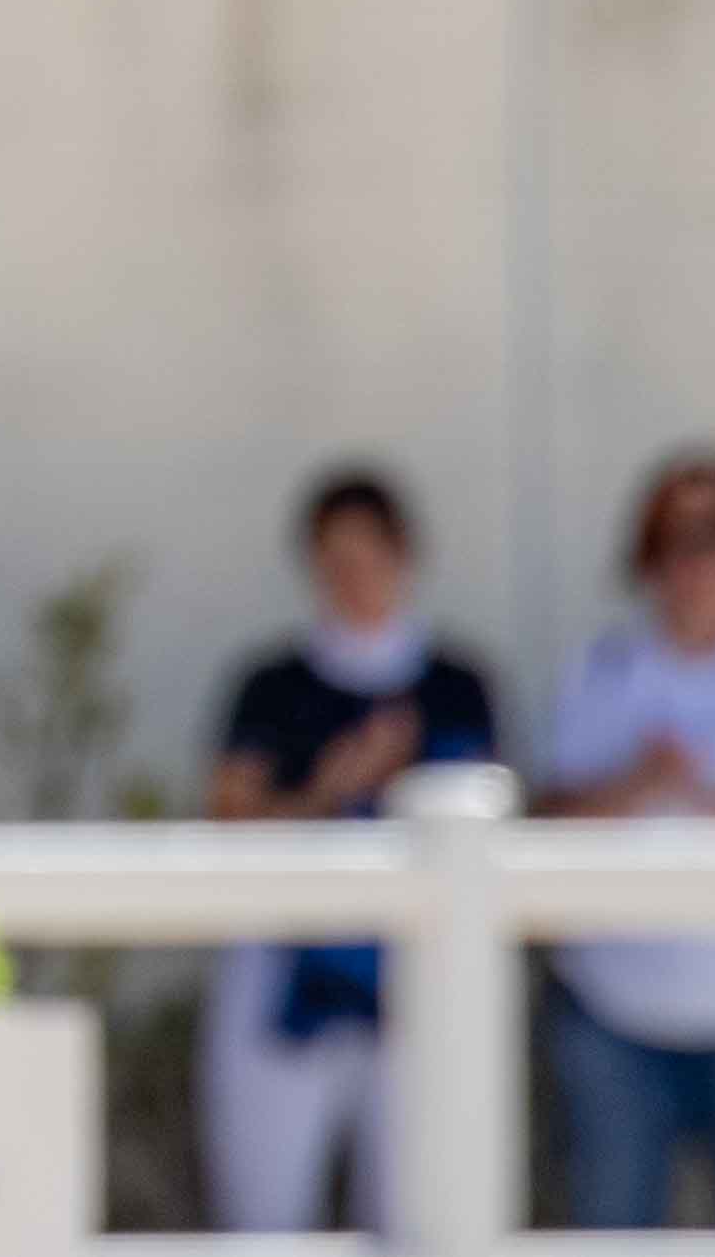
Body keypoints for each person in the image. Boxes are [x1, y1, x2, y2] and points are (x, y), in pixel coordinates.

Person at [197, 466, 498, 1234]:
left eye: (369, 557)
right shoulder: (271, 685)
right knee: (263, 1217)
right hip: (284, 989)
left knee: (418, 1216)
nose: (354, 579)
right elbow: (228, 816)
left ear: (404, 556)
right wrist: (332, 787)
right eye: (335, 561)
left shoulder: (457, 685)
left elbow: (490, 826)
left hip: (414, 988)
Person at [534, 449, 715, 1229]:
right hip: (612, 1016)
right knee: (611, 1231)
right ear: (645, 558)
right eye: (671, 541)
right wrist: (639, 780)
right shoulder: (601, 669)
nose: (692, 562)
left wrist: (702, 794)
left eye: (713, 536)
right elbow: (548, 821)